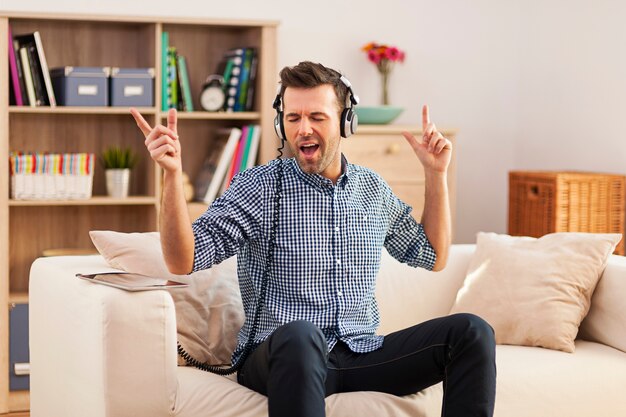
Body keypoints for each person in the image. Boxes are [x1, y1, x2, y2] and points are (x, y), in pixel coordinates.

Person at [131, 61, 496, 417]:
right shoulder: (257, 187)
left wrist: (436, 174)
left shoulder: (372, 190)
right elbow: (184, 260)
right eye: (293, 118)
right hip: (281, 356)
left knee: (471, 332)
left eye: (316, 117)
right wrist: (171, 176)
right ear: (281, 123)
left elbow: (432, 255)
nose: (303, 129)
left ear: (344, 121)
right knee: (303, 336)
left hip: (359, 352)